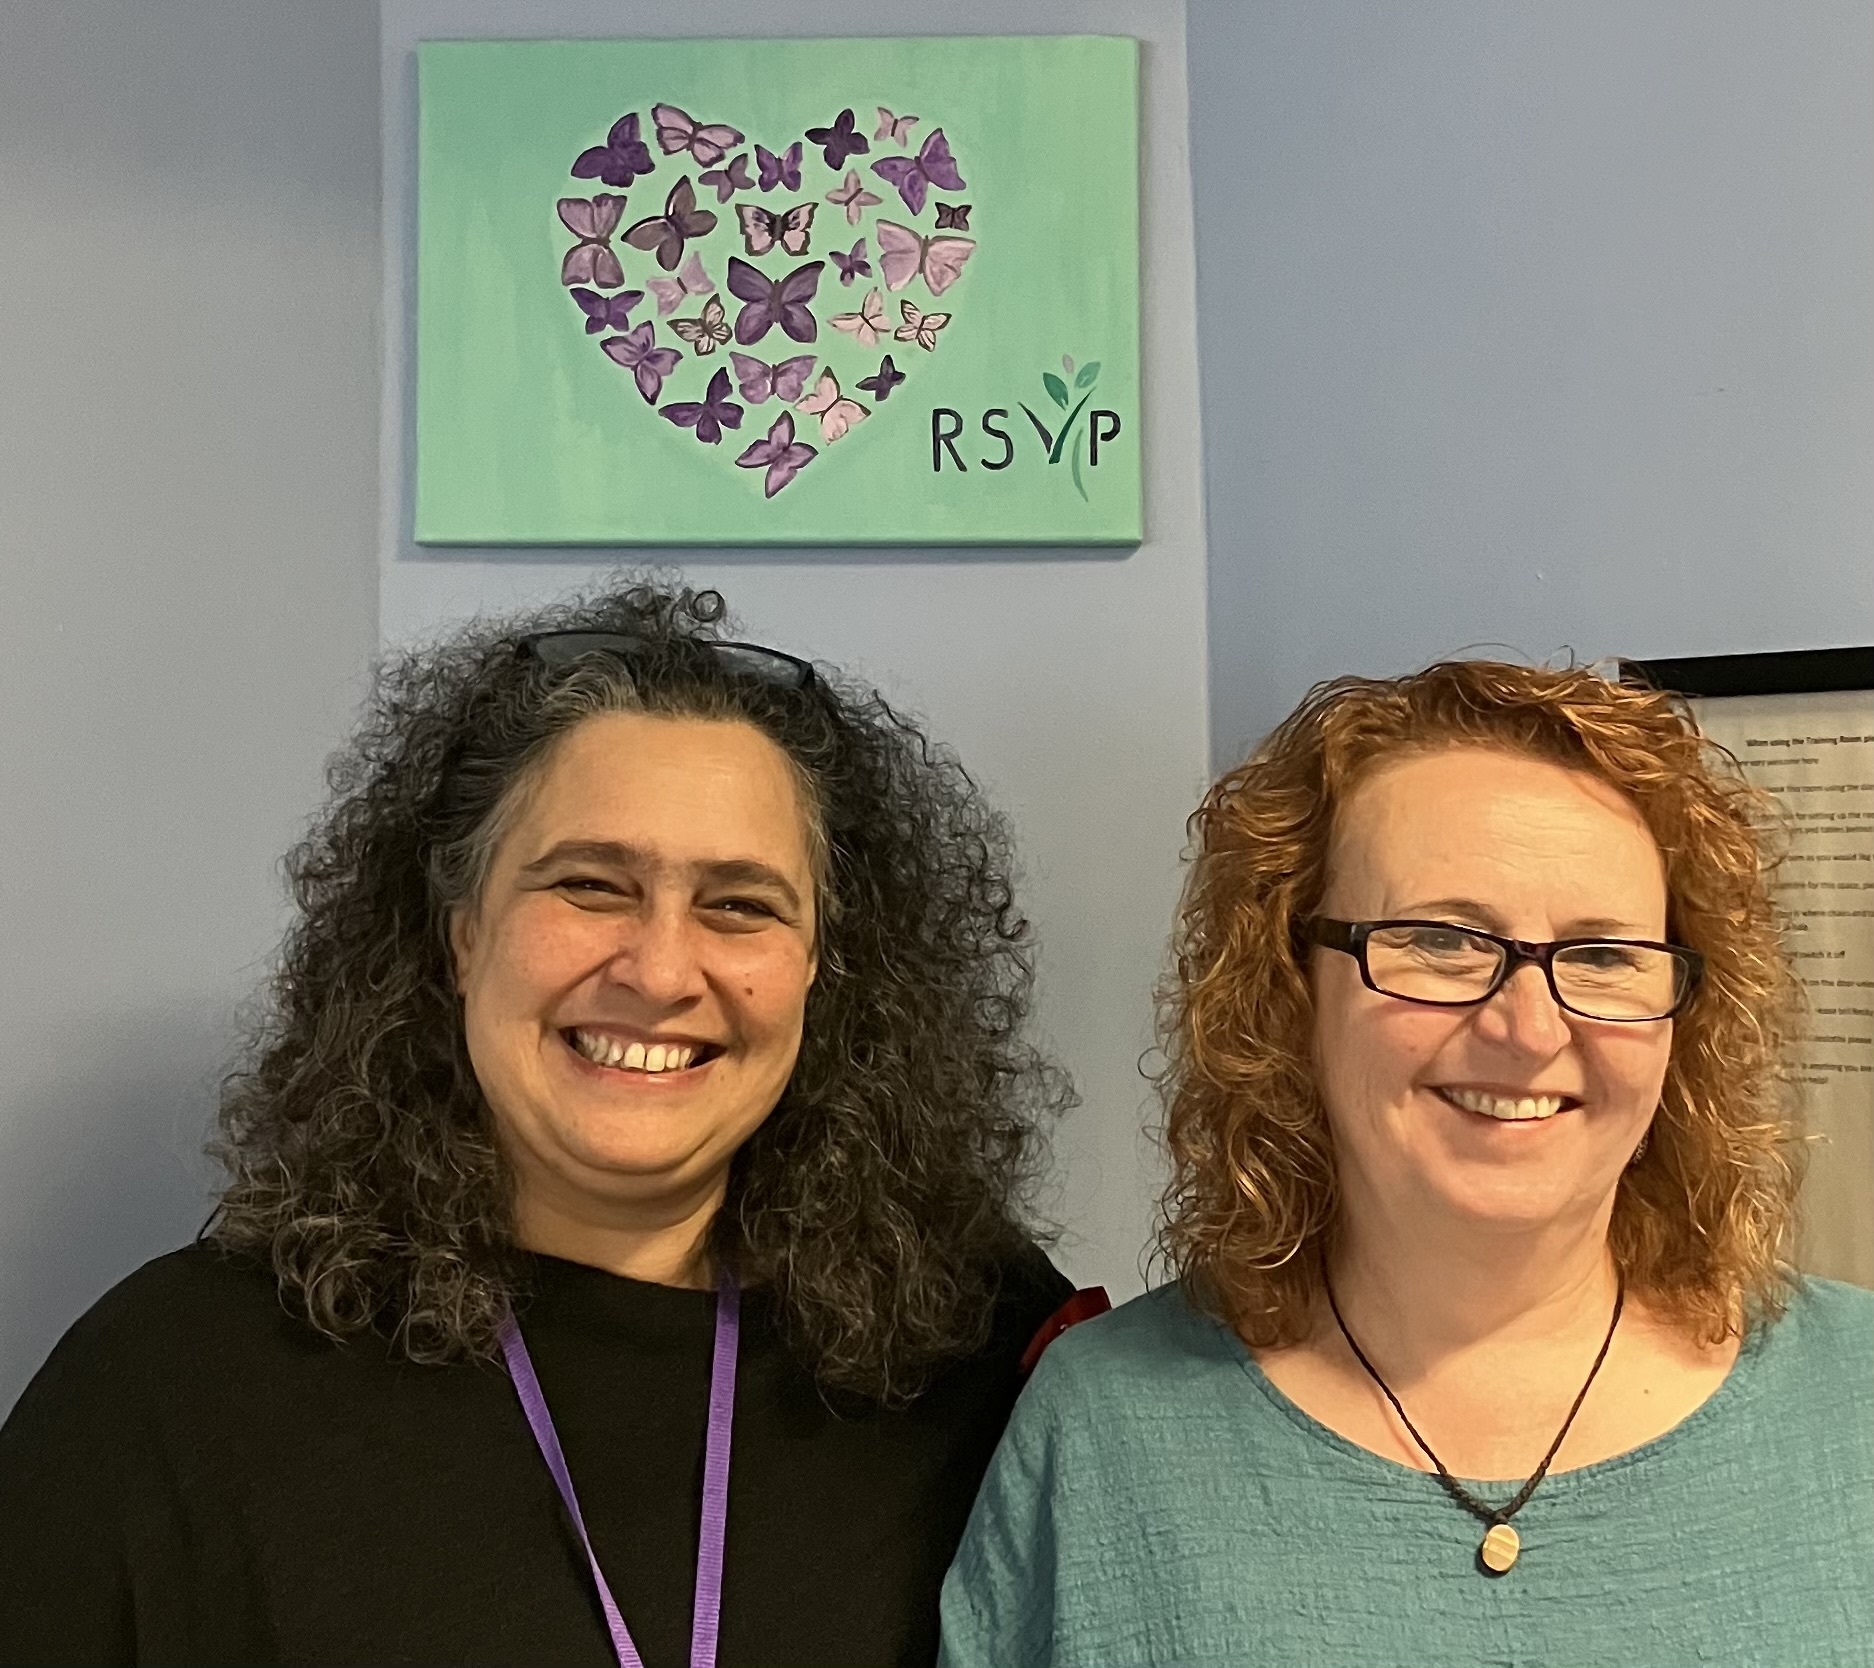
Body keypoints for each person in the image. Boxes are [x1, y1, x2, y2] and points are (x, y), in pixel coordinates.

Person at [0, 580, 1076, 1667]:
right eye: (591, 885)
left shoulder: (979, 1351)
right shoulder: (174, 1389)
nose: (659, 970)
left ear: (818, 970)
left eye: (739, 904)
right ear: (461, 936)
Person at [941, 659, 1874, 1668]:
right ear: (1290, 993)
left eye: (1602, 954)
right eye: (1439, 941)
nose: (1526, 1030)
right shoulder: (1102, 1434)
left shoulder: (1850, 1406)